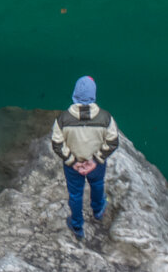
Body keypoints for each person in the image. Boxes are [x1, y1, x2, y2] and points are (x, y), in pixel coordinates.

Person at [51, 75, 119, 239]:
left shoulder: (63, 119)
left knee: (75, 195)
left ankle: (77, 226)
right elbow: (112, 141)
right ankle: (98, 210)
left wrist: (73, 162)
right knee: (97, 185)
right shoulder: (105, 118)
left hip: (73, 166)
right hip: (96, 164)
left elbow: (57, 144)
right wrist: (95, 161)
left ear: (75, 94)